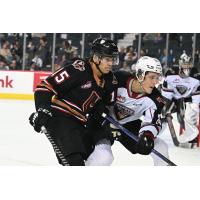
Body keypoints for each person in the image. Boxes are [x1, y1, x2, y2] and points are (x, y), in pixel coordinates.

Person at [29, 38, 119, 166]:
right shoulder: (78, 69)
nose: (111, 63)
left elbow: (103, 106)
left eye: (113, 59)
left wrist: (100, 113)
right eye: (107, 59)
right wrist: (42, 109)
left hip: (80, 123)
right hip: (60, 118)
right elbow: (44, 87)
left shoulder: (109, 80)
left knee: (97, 159)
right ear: (97, 58)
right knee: (74, 162)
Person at [86, 56, 170, 166]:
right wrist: (96, 105)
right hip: (102, 120)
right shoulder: (118, 79)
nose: (156, 82)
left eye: (157, 77)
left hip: (127, 125)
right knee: (104, 157)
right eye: (152, 77)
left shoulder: (155, 99)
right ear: (140, 74)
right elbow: (95, 91)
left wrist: (147, 136)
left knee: (161, 147)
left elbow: (152, 122)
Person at [161, 53, 200, 145]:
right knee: (162, 112)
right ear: (180, 63)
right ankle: (156, 128)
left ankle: (191, 135)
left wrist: (195, 103)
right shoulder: (171, 72)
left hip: (187, 98)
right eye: (184, 64)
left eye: (188, 64)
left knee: (184, 117)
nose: (186, 66)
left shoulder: (196, 74)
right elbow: (166, 91)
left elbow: (197, 92)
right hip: (173, 97)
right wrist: (166, 105)